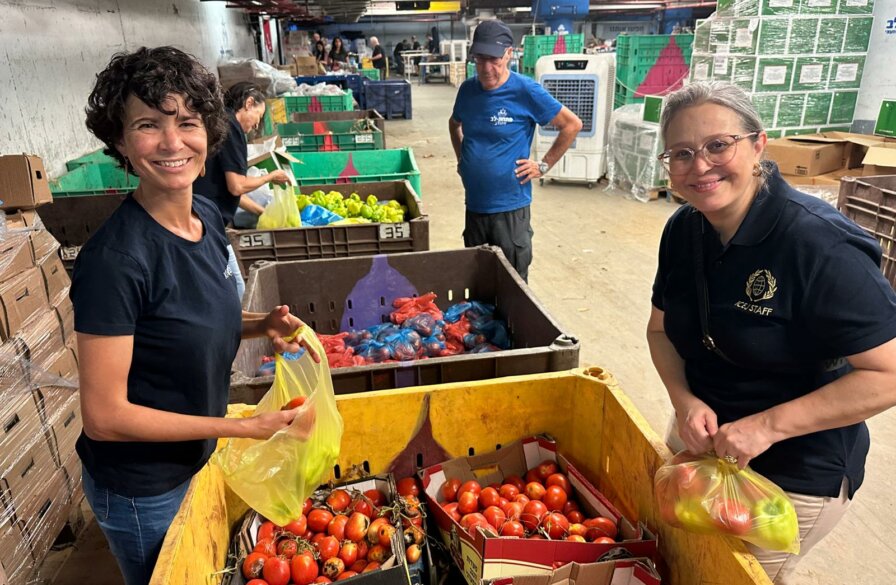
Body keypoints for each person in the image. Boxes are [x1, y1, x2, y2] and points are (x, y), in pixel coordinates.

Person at [75, 46, 320, 585]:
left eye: (188, 122)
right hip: (144, 489)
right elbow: (105, 416)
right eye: (147, 124)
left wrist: (260, 324)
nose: (171, 142)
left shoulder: (206, 218)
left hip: (194, 460)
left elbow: (185, 320)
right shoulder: (114, 262)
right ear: (119, 140)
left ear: (209, 134)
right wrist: (243, 427)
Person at [647, 80, 896, 584]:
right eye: (681, 153)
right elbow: (660, 332)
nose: (700, 166)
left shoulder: (817, 244)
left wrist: (766, 427)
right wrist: (684, 400)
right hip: (706, 442)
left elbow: (888, 373)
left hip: (793, 470)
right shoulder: (684, 229)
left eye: (719, 145)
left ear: (758, 143)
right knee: (675, 561)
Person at [448, 19, 582, 282]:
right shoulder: (467, 90)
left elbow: (572, 125)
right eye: (479, 59)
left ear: (509, 54)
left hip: (509, 209)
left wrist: (543, 166)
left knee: (512, 283)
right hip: (475, 207)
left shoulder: (525, 90)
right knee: (478, 279)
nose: (485, 68)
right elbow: (454, 124)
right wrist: (462, 159)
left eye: (493, 59)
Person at [192, 81, 290, 299]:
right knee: (236, 288)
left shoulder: (220, 124)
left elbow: (229, 191)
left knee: (227, 285)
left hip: (203, 218)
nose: (256, 126)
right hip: (206, 222)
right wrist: (271, 176)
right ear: (248, 103)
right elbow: (236, 186)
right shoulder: (232, 128)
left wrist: (262, 212)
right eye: (258, 116)